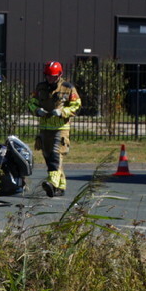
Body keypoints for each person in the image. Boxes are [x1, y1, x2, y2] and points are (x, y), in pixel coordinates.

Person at [33, 61, 82, 196]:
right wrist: (37, 110)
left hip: (61, 127)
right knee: (48, 156)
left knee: (56, 154)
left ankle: (52, 182)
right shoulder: (40, 87)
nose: (50, 78)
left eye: (53, 76)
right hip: (44, 129)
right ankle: (60, 187)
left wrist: (63, 112)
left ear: (60, 75)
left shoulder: (68, 88)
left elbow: (77, 105)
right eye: (48, 76)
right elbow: (31, 102)